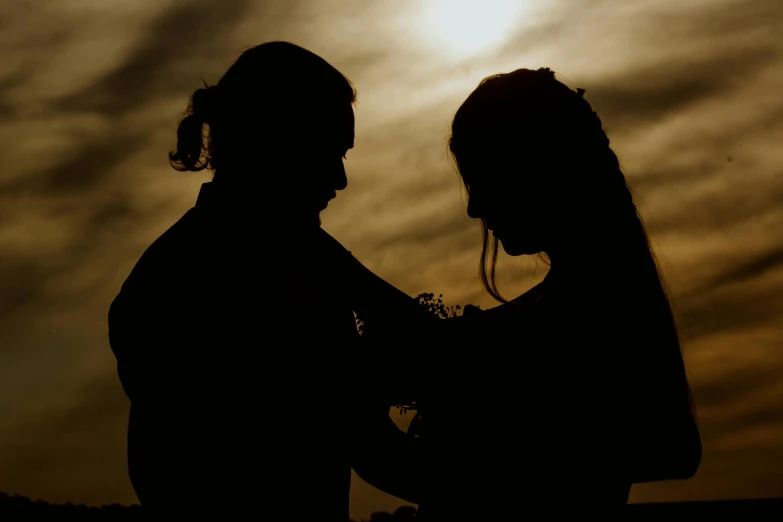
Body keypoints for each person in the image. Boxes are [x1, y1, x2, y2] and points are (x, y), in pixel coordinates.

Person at [335, 68, 703, 520]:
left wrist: (368, 436)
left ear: (531, 169)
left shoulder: (589, 310)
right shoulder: (576, 302)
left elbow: (669, 448)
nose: (473, 206)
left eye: (481, 178)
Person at [107, 41, 427, 518]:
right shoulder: (213, 281)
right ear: (274, 144)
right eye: (327, 152)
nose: (339, 181)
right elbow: (364, 441)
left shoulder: (295, 262)